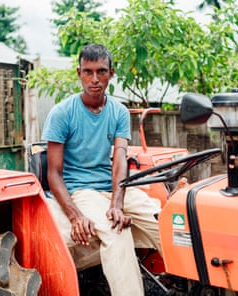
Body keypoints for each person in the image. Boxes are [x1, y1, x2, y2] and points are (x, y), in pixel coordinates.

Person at [41, 44, 161, 296]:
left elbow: (120, 160)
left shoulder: (118, 111)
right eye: (88, 71)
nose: (94, 79)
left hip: (111, 189)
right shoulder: (62, 113)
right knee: (116, 230)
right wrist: (75, 217)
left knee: (166, 221)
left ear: (111, 73)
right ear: (79, 72)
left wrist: (117, 203)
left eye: (101, 71)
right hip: (81, 190)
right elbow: (53, 173)